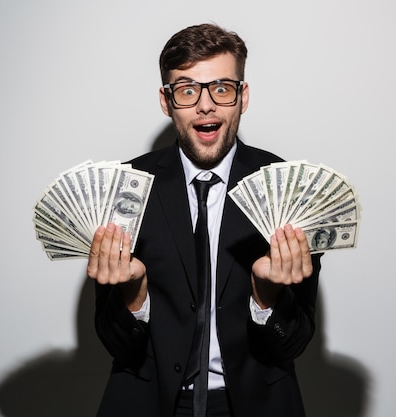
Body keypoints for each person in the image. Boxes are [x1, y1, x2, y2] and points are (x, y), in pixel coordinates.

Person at [86, 23, 322, 417]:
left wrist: (266, 297)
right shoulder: (127, 187)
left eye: (222, 88)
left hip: (255, 405)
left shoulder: (285, 187)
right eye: (187, 89)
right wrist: (133, 296)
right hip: (150, 403)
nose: (206, 105)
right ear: (166, 101)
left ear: (242, 97)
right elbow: (117, 346)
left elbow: (293, 343)